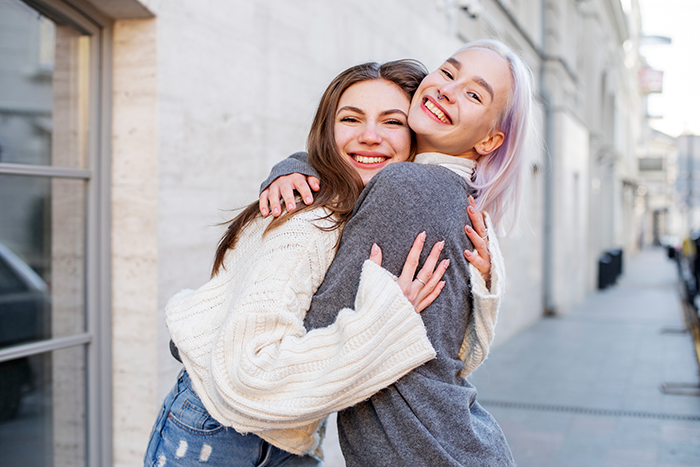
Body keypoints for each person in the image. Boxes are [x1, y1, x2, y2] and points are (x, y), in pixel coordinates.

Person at [144, 60, 455, 467]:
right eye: (351, 118)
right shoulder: (306, 219)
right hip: (218, 430)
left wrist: (482, 275)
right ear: (328, 130)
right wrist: (386, 321)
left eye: (392, 122)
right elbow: (246, 374)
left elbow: (451, 353)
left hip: (290, 432)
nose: (370, 136)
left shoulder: (368, 214)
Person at [258, 39, 533, 466]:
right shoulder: (454, 196)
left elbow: (312, 333)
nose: (447, 89)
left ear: (489, 140)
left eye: (474, 94)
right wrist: (300, 164)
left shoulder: (408, 188)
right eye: (447, 72)